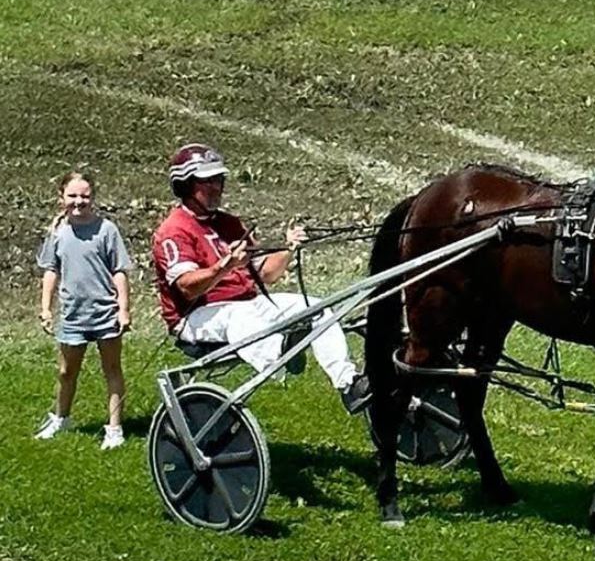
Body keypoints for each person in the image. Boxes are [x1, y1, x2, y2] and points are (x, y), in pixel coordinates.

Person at [151, 143, 370, 414]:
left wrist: (288, 248)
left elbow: (266, 274)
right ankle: (282, 350)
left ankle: (349, 384)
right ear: (185, 185)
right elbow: (187, 288)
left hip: (247, 303)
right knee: (239, 318)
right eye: (206, 181)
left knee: (316, 306)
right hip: (195, 316)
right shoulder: (173, 230)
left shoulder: (229, 223)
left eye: (218, 179)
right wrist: (225, 265)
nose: (215, 187)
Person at [35, 172, 132, 449]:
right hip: (72, 315)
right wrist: (46, 308)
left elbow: (119, 272)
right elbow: (51, 271)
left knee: (112, 369)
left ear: (93, 198)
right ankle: (61, 417)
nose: (79, 202)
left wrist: (123, 309)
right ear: (61, 198)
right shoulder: (57, 232)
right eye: (73, 196)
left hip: (105, 313)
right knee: (66, 371)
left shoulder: (106, 230)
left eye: (85, 196)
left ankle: (114, 429)